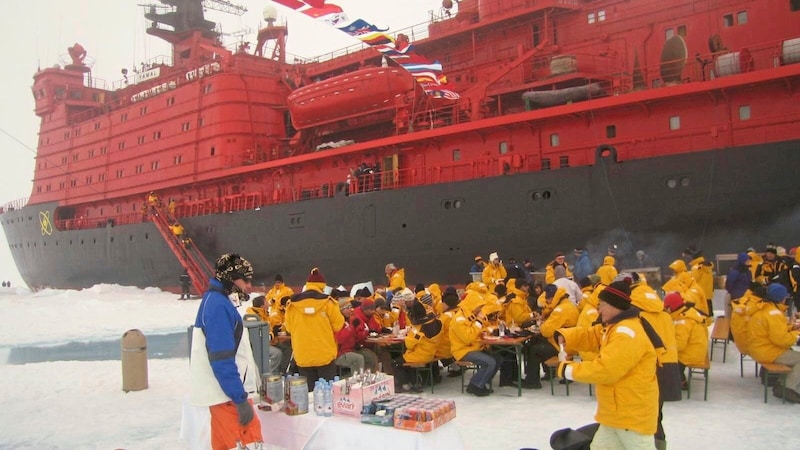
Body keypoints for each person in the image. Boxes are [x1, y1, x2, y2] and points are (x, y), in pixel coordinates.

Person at [556, 281, 660, 449]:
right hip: (615, 416)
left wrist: (568, 370)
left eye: (602, 305)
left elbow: (606, 370)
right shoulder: (614, 327)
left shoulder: (626, 333)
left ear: (615, 306)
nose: (599, 310)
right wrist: (567, 336)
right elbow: (592, 335)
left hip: (632, 418)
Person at [190, 253, 262, 450]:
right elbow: (222, 359)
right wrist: (239, 399)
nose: (249, 285)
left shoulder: (217, 302)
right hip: (228, 398)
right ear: (231, 277)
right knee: (249, 443)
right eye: (245, 279)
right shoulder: (218, 306)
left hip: (223, 396)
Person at [284, 268, 345, 389]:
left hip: (302, 355)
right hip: (324, 355)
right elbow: (338, 325)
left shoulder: (292, 305)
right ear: (322, 286)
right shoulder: (328, 303)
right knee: (327, 394)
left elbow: (289, 328)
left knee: (309, 394)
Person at [747, 283, 800, 402]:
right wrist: (797, 334)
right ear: (780, 298)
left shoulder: (763, 308)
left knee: (792, 355)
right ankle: (786, 387)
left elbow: (772, 332)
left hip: (759, 348)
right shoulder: (774, 314)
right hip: (769, 352)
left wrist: (791, 329)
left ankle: (781, 384)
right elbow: (782, 340)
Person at [450, 283, 502, 396]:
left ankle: (482, 381)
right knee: (490, 362)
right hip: (462, 350)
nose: (480, 309)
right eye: (478, 307)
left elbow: (476, 331)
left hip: (474, 347)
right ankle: (475, 385)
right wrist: (478, 322)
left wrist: (485, 331)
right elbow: (467, 338)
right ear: (471, 305)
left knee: (498, 358)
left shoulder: (471, 315)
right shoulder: (459, 319)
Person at [527, 284, 579, 389]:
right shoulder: (569, 306)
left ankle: (532, 381)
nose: (547, 302)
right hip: (570, 342)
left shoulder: (559, 310)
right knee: (538, 343)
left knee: (533, 349)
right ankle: (548, 373)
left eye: (548, 299)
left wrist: (541, 324)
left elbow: (546, 331)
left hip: (562, 347)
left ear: (553, 297)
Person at [392, 301, 443, 392]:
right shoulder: (436, 323)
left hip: (420, 355)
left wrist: (408, 335)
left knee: (396, 362)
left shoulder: (418, 328)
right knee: (406, 359)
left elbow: (409, 345)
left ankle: (405, 384)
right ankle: (415, 381)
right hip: (431, 353)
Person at [663, 292, 708, 390]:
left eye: (666, 308)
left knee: (668, 361)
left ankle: (680, 383)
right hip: (696, 349)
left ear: (671, 307)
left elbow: (680, 345)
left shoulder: (683, 321)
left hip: (692, 353)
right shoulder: (684, 315)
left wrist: (665, 346)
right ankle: (680, 380)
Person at [334, 298, 366, 375]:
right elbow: (339, 339)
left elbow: (357, 335)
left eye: (350, 307)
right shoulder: (337, 322)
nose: (351, 310)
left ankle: (369, 380)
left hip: (351, 349)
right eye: (347, 308)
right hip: (340, 353)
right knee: (358, 359)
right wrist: (352, 327)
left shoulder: (351, 320)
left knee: (370, 356)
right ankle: (356, 382)